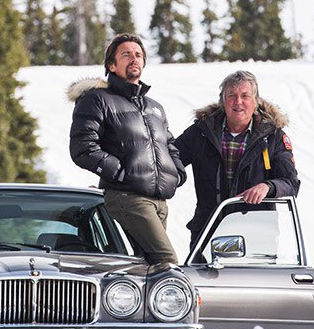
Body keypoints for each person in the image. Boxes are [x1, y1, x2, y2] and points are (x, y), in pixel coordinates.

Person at [68, 33, 186, 267]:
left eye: (138, 54)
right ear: (111, 65)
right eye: (126, 54)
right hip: (128, 197)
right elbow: (82, 147)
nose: (134, 58)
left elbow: (168, 145)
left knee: (148, 268)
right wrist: (122, 174)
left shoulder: (154, 107)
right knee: (168, 263)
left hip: (159, 201)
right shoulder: (96, 99)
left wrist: (177, 173)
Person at [175, 70, 300, 250]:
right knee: (204, 278)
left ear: (256, 101)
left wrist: (268, 187)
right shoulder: (200, 133)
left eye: (245, 96)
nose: (238, 101)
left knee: (254, 279)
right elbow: (170, 160)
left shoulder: (273, 137)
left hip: (256, 234)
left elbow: (291, 183)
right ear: (223, 101)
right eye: (232, 95)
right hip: (209, 231)